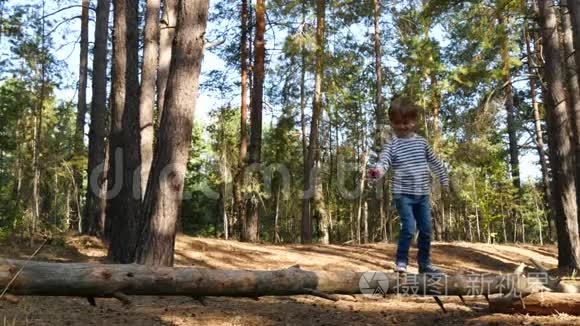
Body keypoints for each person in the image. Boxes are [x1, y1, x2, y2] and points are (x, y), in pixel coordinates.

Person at [368, 96, 448, 274]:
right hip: (402, 194)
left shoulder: (421, 143)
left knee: (426, 230)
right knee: (409, 228)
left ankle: (424, 264)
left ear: (415, 121)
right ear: (391, 123)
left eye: (406, 122)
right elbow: (384, 162)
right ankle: (401, 262)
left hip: (422, 195)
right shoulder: (392, 145)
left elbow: (435, 162)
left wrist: (443, 178)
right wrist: (377, 172)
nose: (402, 126)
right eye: (397, 123)